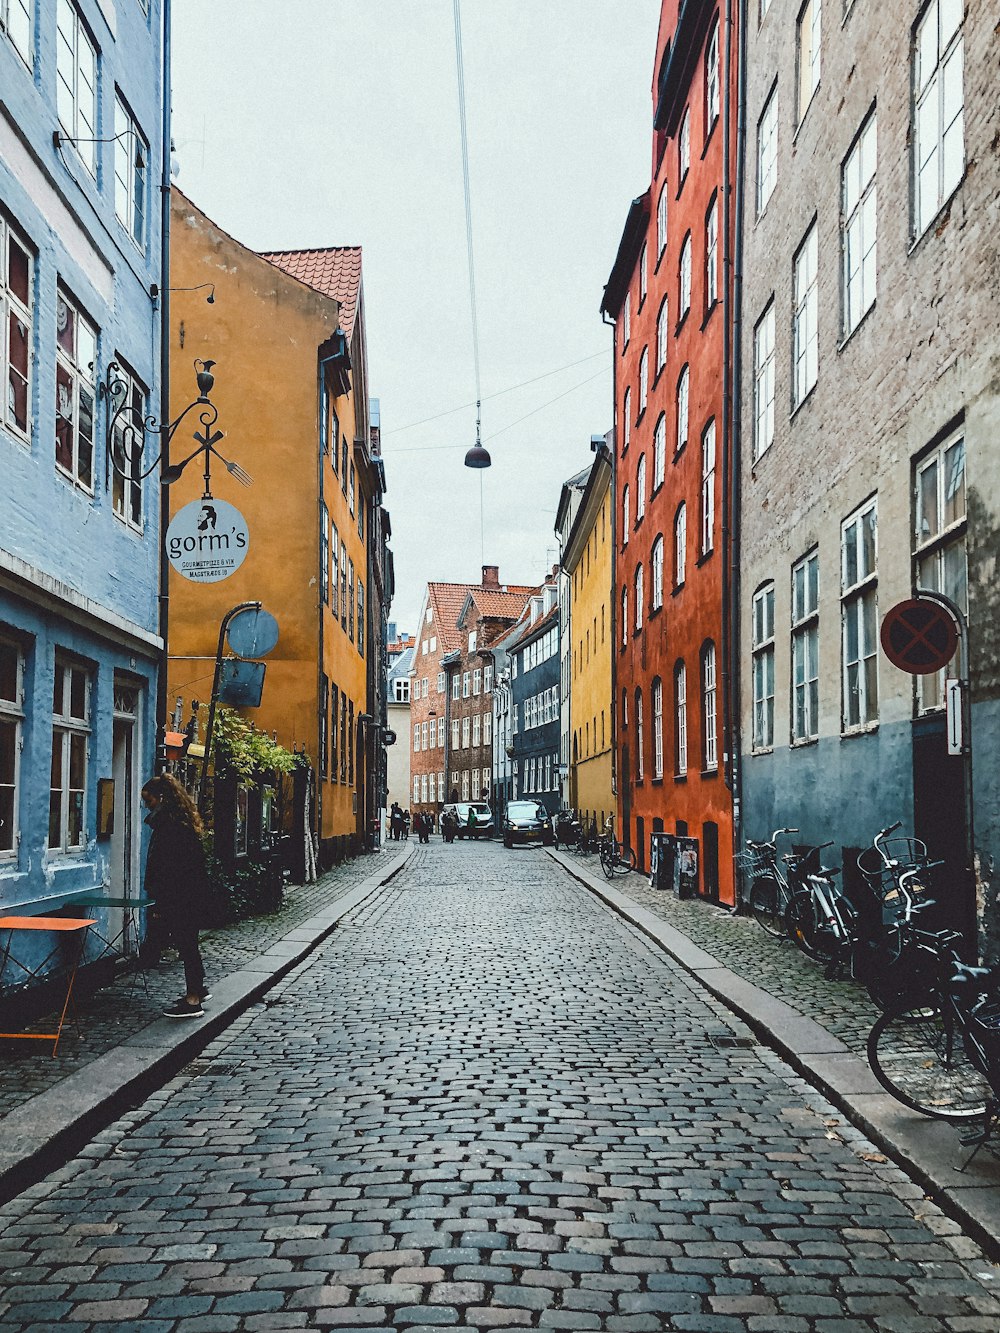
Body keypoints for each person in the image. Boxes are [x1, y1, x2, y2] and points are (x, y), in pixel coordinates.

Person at [139, 774, 210, 1019]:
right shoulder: (180, 822)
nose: (147, 806)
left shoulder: (170, 826)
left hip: (181, 896)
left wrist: (162, 900)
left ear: (161, 799)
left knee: (186, 944)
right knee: (187, 942)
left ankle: (193, 1001)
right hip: (189, 894)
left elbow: (169, 867)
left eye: (149, 801)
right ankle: (199, 990)